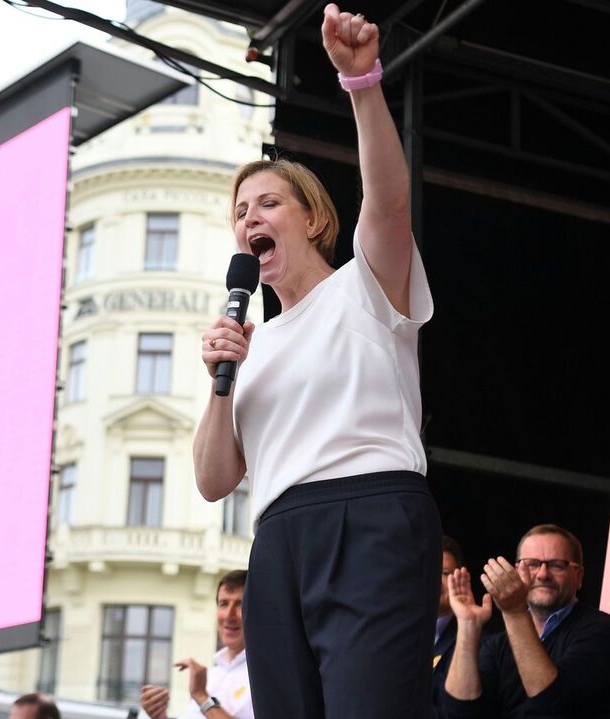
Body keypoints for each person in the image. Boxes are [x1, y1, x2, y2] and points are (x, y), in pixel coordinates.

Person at [192, 4, 442, 716]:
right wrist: (220, 384)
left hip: (369, 514)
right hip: (277, 539)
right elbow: (213, 481)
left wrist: (361, 82)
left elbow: (389, 201)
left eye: (268, 202)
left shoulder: (366, 283)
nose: (250, 218)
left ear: (313, 217)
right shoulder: (252, 342)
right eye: (241, 211)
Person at [442, 524, 610, 718]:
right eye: (532, 565)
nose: (543, 574)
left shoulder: (604, 632)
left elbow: (554, 705)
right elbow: (458, 713)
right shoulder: (498, 645)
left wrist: (515, 612)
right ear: (517, 571)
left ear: (578, 576)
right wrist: (467, 626)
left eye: (556, 565)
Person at [140, 570, 253, 719]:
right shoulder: (214, 673)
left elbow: (202, 697)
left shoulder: (265, 674)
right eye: (223, 604)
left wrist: (201, 695)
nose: (228, 615)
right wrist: (161, 716)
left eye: (240, 605)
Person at [433, 535, 465, 712]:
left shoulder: (471, 639)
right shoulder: (399, 632)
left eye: (444, 573)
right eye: (429, 571)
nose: (435, 581)